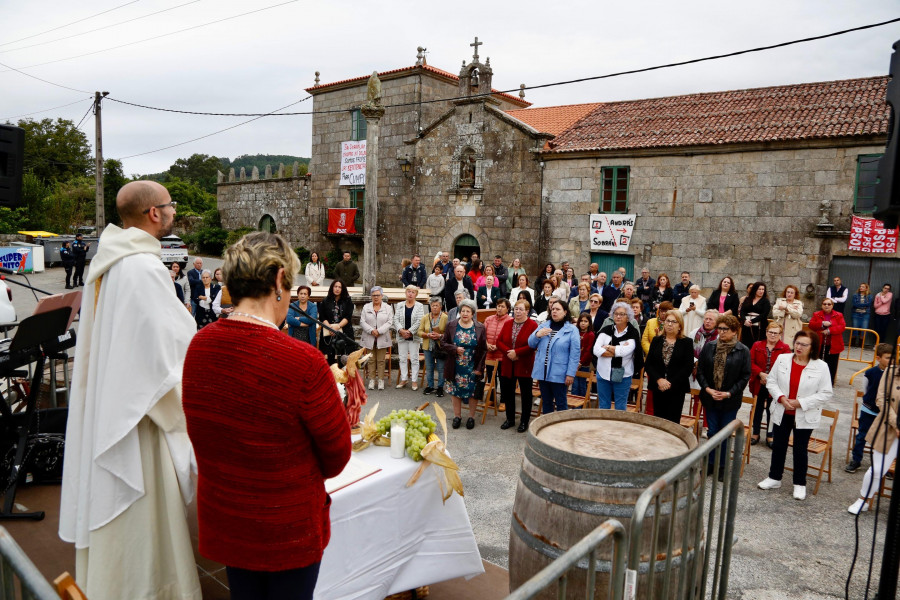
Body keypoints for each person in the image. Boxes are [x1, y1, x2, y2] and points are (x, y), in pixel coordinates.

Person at [182, 231, 350, 600]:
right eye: (291, 283)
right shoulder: (303, 361)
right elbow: (337, 458)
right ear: (277, 280)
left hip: (228, 519)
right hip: (285, 528)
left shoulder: (198, 346)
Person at [59, 181, 200, 600]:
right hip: (138, 413)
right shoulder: (141, 268)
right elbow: (162, 353)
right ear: (154, 213)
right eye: (170, 205)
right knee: (143, 514)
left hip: (118, 397)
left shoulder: (113, 260)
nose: (174, 211)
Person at [758, 329, 833, 501]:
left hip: (804, 413)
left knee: (800, 449)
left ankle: (799, 484)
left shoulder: (821, 366)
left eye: (804, 344)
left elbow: (826, 393)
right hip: (782, 409)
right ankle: (774, 477)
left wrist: (801, 403)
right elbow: (771, 381)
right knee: (779, 445)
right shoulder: (783, 359)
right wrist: (781, 398)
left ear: (812, 347)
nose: (799, 347)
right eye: (797, 343)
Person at [696, 314, 751, 478]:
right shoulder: (710, 346)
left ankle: (722, 466)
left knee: (725, 433)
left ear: (734, 331)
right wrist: (707, 389)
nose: (721, 332)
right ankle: (710, 464)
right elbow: (700, 370)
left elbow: (745, 376)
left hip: (729, 400)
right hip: (710, 396)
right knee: (712, 431)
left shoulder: (742, 350)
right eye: (719, 328)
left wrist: (729, 393)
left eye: (725, 329)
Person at [848, 359, 900, 514]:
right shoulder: (891, 372)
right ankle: (863, 500)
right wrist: (896, 424)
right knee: (877, 469)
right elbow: (882, 399)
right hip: (890, 428)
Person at [846, 344, 894, 474]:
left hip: (886, 413)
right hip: (869, 410)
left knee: (882, 439)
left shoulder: (895, 374)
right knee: (862, 436)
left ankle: (881, 465)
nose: (892, 360)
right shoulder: (870, 372)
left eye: (893, 357)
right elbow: (866, 390)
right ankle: (856, 460)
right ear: (878, 358)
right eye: (888, 358)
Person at [441, 300, 486, 430]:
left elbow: (483, 349)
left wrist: (479, 368)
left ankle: (471, 417)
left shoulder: (480, 327)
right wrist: (454, 349)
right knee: (455, 391)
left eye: (468, 311)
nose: (465, 313)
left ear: (472, 313)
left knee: (473, 392)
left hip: (473, 365)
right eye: (463, 311)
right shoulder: (451, 325)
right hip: (455, 366)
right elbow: (443, 343)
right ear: (459, 312)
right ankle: (457, 416)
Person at [529, 301, 580, 414]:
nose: (554, 311)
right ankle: (548, 427)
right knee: (546, 402)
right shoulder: (544, 325)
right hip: (543, 371)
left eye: (558, 309)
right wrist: (537, 335)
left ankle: (561, 429)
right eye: (553, 309)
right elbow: (531, 344)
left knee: (561, 403)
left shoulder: (572, 329)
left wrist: (570, 373)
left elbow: (575, 354)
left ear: (565, 312)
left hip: (559, 373)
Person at [645, 311, 694, 423]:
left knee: (672, 422)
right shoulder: (656, 340)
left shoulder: (686, 342)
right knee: (658, 421)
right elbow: (648, 364)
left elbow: (688, 367)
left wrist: (669, 383)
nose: (670, 324)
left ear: (680, 325)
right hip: (658, 387)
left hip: (676, 388)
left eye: (674, 322)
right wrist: (659, 379)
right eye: (668, 321)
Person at [497, 300, 538, 432]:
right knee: (508, 392)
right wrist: (509, 353)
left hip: (524, 363)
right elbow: (499, 341)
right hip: (508, 362)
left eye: (521, 309)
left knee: (526, 394)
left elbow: (533, 344)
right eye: (516, 309)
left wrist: (517, 352)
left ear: (527, 311)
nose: (517, 312)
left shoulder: (532, 325)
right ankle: (510, 419)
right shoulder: (508, 323)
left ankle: (524, 421)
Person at [593, 303, 642, 411]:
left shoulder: (632, 332)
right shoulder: (606, 330)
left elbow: (625, 352)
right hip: (603, 373)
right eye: (616, 314)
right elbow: (596, 350)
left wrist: (607, 347)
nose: (618, 316)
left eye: (622, 314)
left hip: (623, 375)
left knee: (620, 407)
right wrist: (617, 350)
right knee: (603, 406)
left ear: (628, 317)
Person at [749, 322, 791, 446]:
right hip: (758, 382)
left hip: (775, 384)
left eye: (776, 333)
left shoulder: (785, 348)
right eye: (770, 332)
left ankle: (770, 435)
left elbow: (786, 367)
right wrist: (760, 374)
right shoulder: (757, 345)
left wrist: (771, 379)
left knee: (772, 410)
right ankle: (755, 433)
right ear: (766, 332)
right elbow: (750, 362)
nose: (772, 335)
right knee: (757, 408)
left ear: (780, 335)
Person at [478, 299, 512, 407]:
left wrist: (498, 346)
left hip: (502, 355)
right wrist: (487, 344)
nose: (499, 308)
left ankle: (503, 401)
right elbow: (482, 335)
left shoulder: (510, 321)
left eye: (502, 306)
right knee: (491, 378)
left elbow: (509, 339)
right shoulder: (489, 319)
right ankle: (492, 399)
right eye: (498, 306)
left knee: (503, 379)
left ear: (507, 309)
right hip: (489, 354)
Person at [359, 286, 393, 390]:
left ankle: (381, 380)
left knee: (381, 360)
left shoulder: (388, 308)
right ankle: (372, 379)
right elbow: (362, 321)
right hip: (369, 337)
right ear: (371, 296)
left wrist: (379, 331)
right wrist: (371, 330)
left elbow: (390, 322)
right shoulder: (366, 307)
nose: (376, 297)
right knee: (371, 360)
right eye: (373, 295)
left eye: (378, 295)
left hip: (382, 337)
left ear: (382, 296)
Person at [394, 285, 425, 390]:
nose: (410, 294)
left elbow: (419, 320)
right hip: (402, 335)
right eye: (409, 291)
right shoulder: (400, 305)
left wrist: (410, 331)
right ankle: (404, 379)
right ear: (405, 293)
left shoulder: (419, 306)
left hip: (413, 336)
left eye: (413, 292)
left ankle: (414, 381)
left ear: (416, 294)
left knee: (414, 359)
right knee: (402, 358)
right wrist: (401, 330)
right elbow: (396, 319)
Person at [808, 297, 845, 384]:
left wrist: (829, 331)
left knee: (832, 364)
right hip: (819, 343)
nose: (827, 306)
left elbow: (842, 327)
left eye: (829, 304)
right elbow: (811, 325)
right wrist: (822, 324)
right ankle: (814, 381)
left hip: (833, 344)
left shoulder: (839, 315)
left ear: (832, 305)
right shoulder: (816, 314)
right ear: (822, 305)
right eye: (825, 304)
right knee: (816, 362)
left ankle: (829, 382)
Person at [320, 280, 355, 365]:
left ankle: (343, 376)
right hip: (329, 331)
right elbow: (322, 317)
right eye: (335, 286)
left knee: (344, 356)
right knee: (330, 356)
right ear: (332, 288)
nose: (337, 289)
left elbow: (348, 317)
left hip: (343, 330)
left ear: (343, 289)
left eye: (339, 287)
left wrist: (338, 326)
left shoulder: (348, 301)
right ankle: (331, 376)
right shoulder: (325, 301)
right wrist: (330, 328)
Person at [418, 297, 448, 396]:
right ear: (430, 307)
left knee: (440, 368)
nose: (434, 308)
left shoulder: (445, 317)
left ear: (440, 307)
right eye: (433, 306)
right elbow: (419, 331)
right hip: (428, 346)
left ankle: (440, 387)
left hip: (440, 346)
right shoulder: (425, 317)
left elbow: (449, 334)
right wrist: (427, 335)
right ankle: (430, 386)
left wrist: (440, 336)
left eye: (436, 306)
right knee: (429, 367)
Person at [571, 312, 596, 398]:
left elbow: (589, 350)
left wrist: (580, 362)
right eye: (581, 321)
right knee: (574, 385)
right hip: (574, 362)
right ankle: (574, 406)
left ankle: (582, 406)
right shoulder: (575, 332)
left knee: (582, 385)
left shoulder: (591, 334)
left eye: (585, 321)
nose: (583, 323)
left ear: (589, 323)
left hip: (584, 364)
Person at [740, 282, 771, 348]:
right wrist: (745, 320)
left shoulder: (766, 301)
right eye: (759, 289)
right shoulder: (747, 299)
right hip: (747, 325)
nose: (761, 291)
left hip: (760, 326)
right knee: (746, 344)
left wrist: (752, 321)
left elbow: (764, 314)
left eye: (763, 289)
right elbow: (742, 311)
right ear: (755, 290)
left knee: (758, 344)